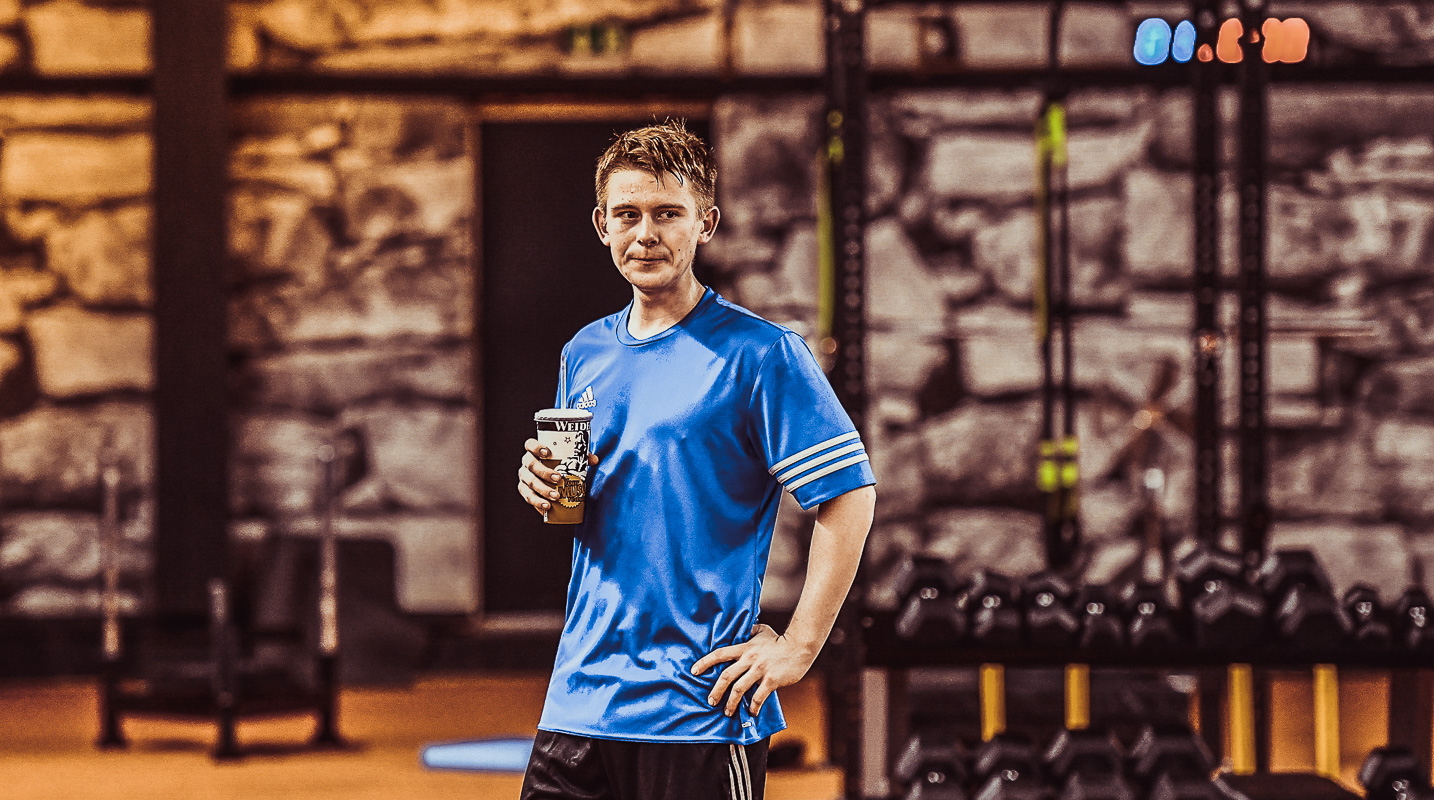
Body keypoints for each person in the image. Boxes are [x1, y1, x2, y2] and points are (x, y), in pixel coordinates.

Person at [516, 120, 877, 800]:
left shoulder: (761, 355)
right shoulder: (583, 353)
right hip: (580, 699)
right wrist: (542, 487)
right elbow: (585, 504)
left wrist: (799, 648)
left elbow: (850, 496)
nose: (644, 233)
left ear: (705, 223)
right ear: (601, 223)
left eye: (667, 214)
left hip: (700, 710)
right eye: (627, 214)